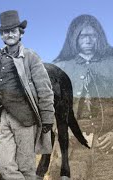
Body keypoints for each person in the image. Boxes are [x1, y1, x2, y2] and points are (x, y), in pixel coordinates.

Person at [0, 10, 55, 180]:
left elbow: (45, 89)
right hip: (5, 118)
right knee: (4, 165)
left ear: (20, 33)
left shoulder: (31, 57)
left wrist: (47, 118)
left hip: (25, 118)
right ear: (1, 35)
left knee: (26, 167)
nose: (9, 34)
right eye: (5, 31)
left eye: (13, 31)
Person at [51, 14, 113, 179]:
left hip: (107, 146)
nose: (88, 40)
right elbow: (49, 107)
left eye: (92, 35)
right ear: (74, 38)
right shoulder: (60, 67)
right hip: (72, 145)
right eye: (83, 35)